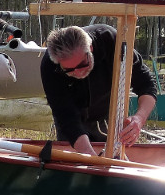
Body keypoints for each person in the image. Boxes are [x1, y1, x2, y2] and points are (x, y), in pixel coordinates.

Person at [40, 23, 157, 154]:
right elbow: (66, 117)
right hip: (72, 124)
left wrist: (139, 119)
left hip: (108, 119)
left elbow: (147, 85)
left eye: (83, 64)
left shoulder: (111, 41)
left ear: (90, 48)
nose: (78, 73)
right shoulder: (49, 65)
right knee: (76, 165)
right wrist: (91, 160)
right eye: (69, 70)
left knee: (114, 159)